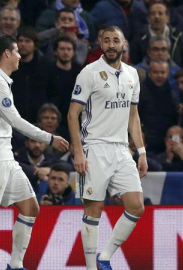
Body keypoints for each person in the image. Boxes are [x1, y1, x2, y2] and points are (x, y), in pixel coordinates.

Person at [0, 34, 69, 270]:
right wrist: (49, 138)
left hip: (6, 157)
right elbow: (15, 120)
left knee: (30, 207)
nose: (19, 55)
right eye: (16, 51)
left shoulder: (2, 81)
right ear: (6, 53)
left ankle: (15, 266)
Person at [67, 25, 147, 270]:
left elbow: (133, 116)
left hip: (122, 149)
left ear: (124, 45)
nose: (111, 45)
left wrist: (141, 151)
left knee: (136, 206)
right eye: (107, 41)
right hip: (95, 148)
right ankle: (92, 267)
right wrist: (78, 152)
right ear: (101, 45)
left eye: (116, 40)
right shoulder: (89, 73)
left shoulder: (133, 74)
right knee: (94, 209)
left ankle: (105, 257)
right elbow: (72, 115)